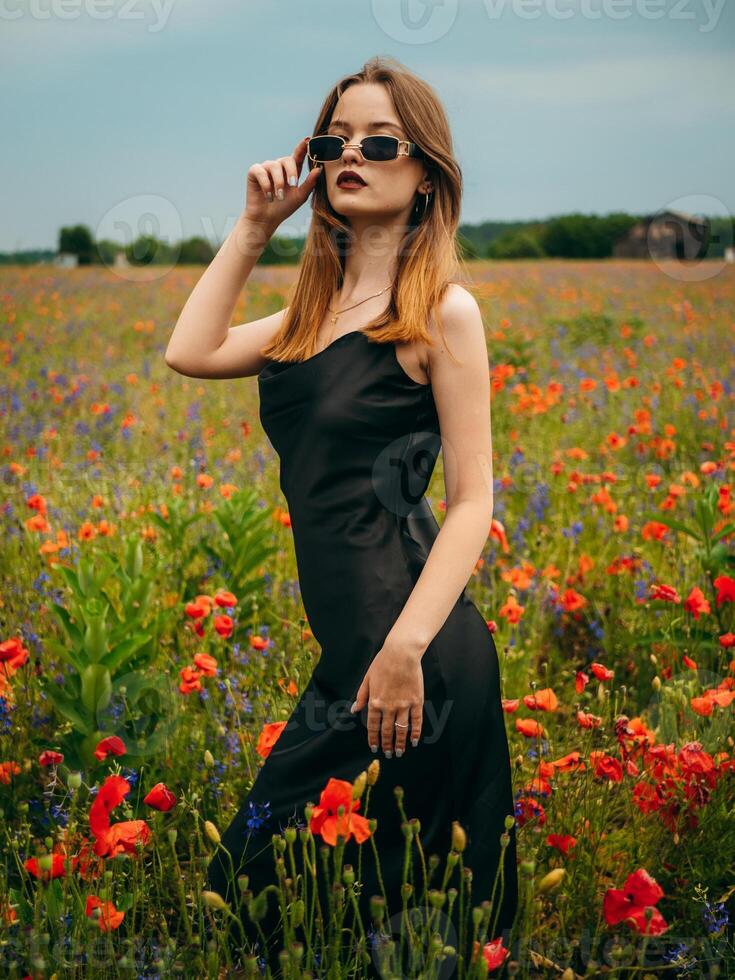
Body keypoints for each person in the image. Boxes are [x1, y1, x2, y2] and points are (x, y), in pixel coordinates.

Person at [166, 55, 518, 976]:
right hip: (351, 656)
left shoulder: (442, 311)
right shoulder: (301, 320)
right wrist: (251, 228)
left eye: (379, 141)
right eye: (334, 140)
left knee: (401, 928)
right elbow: (188, 350)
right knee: (264, 885)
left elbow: (473, 501)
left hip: (416, 656)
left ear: (425, 174)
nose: (350, 154)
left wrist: (403, 651)